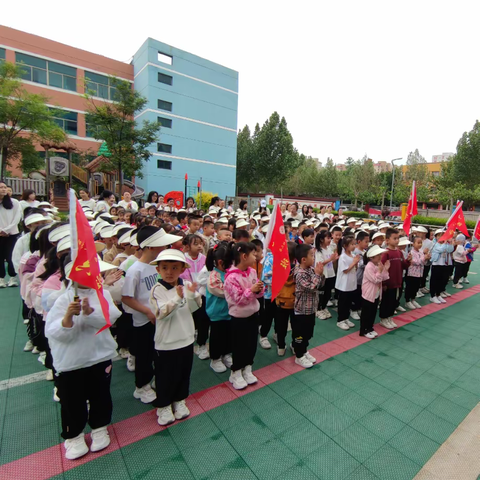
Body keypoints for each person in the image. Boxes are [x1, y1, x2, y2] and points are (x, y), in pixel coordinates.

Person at [45, 257, 122, 460]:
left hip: (99, 358)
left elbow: (111, 317)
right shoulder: (62, 299)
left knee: (100, 396)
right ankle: (74, 435)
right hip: (72, 363)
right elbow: (53, 332)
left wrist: (89, 313)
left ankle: (99, 427)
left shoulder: (102, 293)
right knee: (72, 401)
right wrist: (68, 318)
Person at [121, 226, 178, 404]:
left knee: (157, 353)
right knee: (144, 355)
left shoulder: (158, 267)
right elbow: (127, 298)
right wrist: (147, 311)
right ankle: (142, 387)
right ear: (151, 246)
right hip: (143, 322)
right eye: (163, 245)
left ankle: (152, 380)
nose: (166, 248)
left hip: (160, 319)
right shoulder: (135, 270)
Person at [149, 249, 201, 425]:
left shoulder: (186, 284)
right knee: (164, 376)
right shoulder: (157, 289)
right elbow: (161, 313)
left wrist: (192, 294)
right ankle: (163, 405)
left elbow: (195, 307)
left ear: (181, 269)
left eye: (174, 267)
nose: (169, 272)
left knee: (183, 373)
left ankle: (179, 400)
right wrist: (178, 298)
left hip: (186, 338)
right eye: (164, 267)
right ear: (158, 270)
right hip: (166, 343)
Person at [224, 242, 264, 390]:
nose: (256, 256)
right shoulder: (231, 278)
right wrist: (252, 290)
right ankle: (236, 372)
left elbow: (258, 294)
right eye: (254, 254)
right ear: (244, 256)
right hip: (239, 318)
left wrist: (259, 289)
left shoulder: (252, 272)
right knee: (239, 346)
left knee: (251, 344)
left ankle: (248, 368)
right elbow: (238, 300)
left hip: (253, 314)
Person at [292, 244, 324, 368]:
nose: (314, 258)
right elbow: (311, 287)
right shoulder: (300, 273)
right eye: (311, 255)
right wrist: (317, 275)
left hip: (311, 309)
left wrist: (320, 274)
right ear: (303, 259)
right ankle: (299, 356)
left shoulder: (310, 270)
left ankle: (304, 350)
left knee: (308, 333)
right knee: (299, 334)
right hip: (302, 310)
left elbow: (319, 285)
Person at [180, 234, 209, 360]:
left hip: (202, 294)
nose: (199, 246)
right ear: (187, 247)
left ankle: (202, 344)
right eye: (195, 244)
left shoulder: (204, 258)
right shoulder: (183, 260)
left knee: (203, 319)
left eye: (201, 243)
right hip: (189, 295)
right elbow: (185, 278)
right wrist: (193, 289)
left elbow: (207, 274)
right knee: (190, 319)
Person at [205, 242, 233, 372]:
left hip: (229, 312)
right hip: (217, 314)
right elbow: (222, 292)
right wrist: (236, 288)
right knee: (217, 337)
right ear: (221, 262)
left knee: (228, 335)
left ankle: (226, 354)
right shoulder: (213, 276)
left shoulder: (228, 272)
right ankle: (215, 359)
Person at [379, 228, 411, 328]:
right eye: (394, 238)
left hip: (397, 281)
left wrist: (408, 261)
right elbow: (382, 268)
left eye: (398, 238)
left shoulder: (399, 252)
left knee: (394, 301)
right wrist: (383, 283)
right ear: (387, 240)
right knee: (386, 301)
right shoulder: (386, 253)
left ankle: (389, 317)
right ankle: (383, 318)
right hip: (388, 283)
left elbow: (403, 266)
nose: (397, 240)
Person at [359, 245, 390, 338]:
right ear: (371, 257)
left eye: (380, 254)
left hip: (376, 294)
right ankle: (363, 330)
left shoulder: (378, 265)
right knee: (366, 313)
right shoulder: (369, 267)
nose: (380, 257)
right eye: (378, 255)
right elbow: (376, 280)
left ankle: (370, 328)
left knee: (373, 312)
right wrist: (380, 271)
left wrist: (385, 269)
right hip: (368, 294)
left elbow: (386, 277)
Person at [274, 242, 297, 356]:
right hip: (294, 301)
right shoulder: (298, 269)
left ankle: (281, 346)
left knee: (280, 325)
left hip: (281, 302)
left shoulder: (278, 267)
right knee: (295, 326)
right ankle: (294, 345)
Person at [335, 237, 361, 331]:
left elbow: (355, 269)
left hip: (351, 283)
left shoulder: (352, 255)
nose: (354, 246)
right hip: (343, 285)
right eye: (352, 244)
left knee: (348, 302)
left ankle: (346, 318)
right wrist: (354, 262)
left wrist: (356, 263)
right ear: (345, 246)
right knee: (343, 303)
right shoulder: (342, 257)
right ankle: (340, 320)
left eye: (354, 244)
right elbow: (345, 270)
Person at [0, 181, 22, 287]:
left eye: (4, 187)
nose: (3, 189)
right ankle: (1, 279)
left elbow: (17, 218)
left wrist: (7, 230)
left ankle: (13, 278)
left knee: (11, 256)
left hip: (12, 234)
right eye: (1, 187)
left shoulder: (14, 202)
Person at [315, 230, 338, 319]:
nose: (330, 240)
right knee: (321, 293)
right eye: (328, 238)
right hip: (323, 275)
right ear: (321, 239)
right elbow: (320, 263)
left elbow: (330, 260)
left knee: (328, 293)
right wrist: (330, 259)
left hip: (330, 274)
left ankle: (324, 307)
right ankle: (318, 309)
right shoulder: (318, 251)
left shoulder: (328, 249)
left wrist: (334, 259)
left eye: (330, 238)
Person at [430, 230, 454, 304]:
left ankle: (438, 294)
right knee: (434, 281)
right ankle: (432, 296)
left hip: (444, 265)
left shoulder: (445, 244)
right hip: (436, 265)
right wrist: (445, 243)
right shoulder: (434, 244)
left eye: (443, 236)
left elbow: (450, 250)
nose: (441, 237)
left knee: (442, 280)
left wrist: (450, 243)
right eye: (439, 236)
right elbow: (440, 250)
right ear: (436, 237)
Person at [405, 236, 429, 309]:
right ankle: (407, 301)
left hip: (419, 273)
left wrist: (426, 258)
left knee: (416, 287)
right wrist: (424, 258)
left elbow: (423, 263)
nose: (420, 244)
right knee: (410, 287)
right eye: (418, 243)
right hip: (412, 273)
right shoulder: (411, 252)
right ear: (413, 244)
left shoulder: (421, 252)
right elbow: (416, 262)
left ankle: (413, 299)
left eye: (421, 243)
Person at [351, 231, 370, 320]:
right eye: (366, 241)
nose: (367, 243)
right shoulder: (355, 251)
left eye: (368, 241)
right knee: (356, 294)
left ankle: (358, 308)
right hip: (357, 277)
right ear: (359, 241)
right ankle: (353, 310)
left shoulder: (365, 251)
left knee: (361, 294)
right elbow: (360, 264)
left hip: (364, 278)